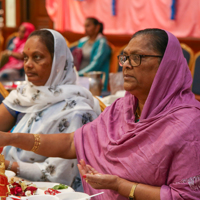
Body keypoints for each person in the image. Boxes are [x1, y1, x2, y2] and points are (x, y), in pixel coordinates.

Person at [0, 28, 200, 200]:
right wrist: (11, 138)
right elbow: (73, 143)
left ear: (167, 65)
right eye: (125, 57)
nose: (126, 65)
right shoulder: (122, 109)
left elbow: (185, 196)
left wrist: (121, 186)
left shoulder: (188, 124)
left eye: (137, 58)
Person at [0, 29, 101, 191]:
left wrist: (8, 165)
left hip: (47, 191)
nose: (28, 64)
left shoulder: (77, 110)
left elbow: (60, 175)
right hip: (11, 181)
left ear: (58, 62)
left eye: (37, 57)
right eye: (25, 57)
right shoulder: (26, 94)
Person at [75, 17, 111, 91]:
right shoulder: (82, 41)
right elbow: (76, 59)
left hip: (94, 82)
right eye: (84, 26)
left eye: (88, 26)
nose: (85, 28)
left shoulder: (102, 43)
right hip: (80, 79)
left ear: (97, 27)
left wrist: (78, 74)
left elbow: (96, 64)